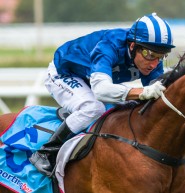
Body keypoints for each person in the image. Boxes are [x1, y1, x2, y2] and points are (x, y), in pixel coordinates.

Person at [29, 12, 175, 176]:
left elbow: (158, 95)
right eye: (150, 55)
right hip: (64, 73)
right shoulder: (109, 45)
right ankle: (46, 152)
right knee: (93, 107)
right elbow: (101, 90)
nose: (154, 64)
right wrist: (142, 92)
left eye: (161, 56)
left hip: (90, 78)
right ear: (133, 46)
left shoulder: (150, 58)